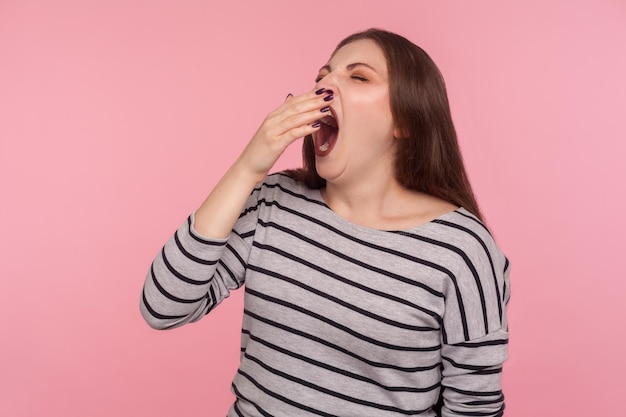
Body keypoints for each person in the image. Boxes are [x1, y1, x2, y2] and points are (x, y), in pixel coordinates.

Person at [140, 28, 510, 417]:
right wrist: (249, 166)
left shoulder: (463, 250)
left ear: (407, 120)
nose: (323, 85)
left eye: (359, 76)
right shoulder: (272, 201)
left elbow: (474, 408)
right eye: (321, 76)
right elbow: (164, 307)